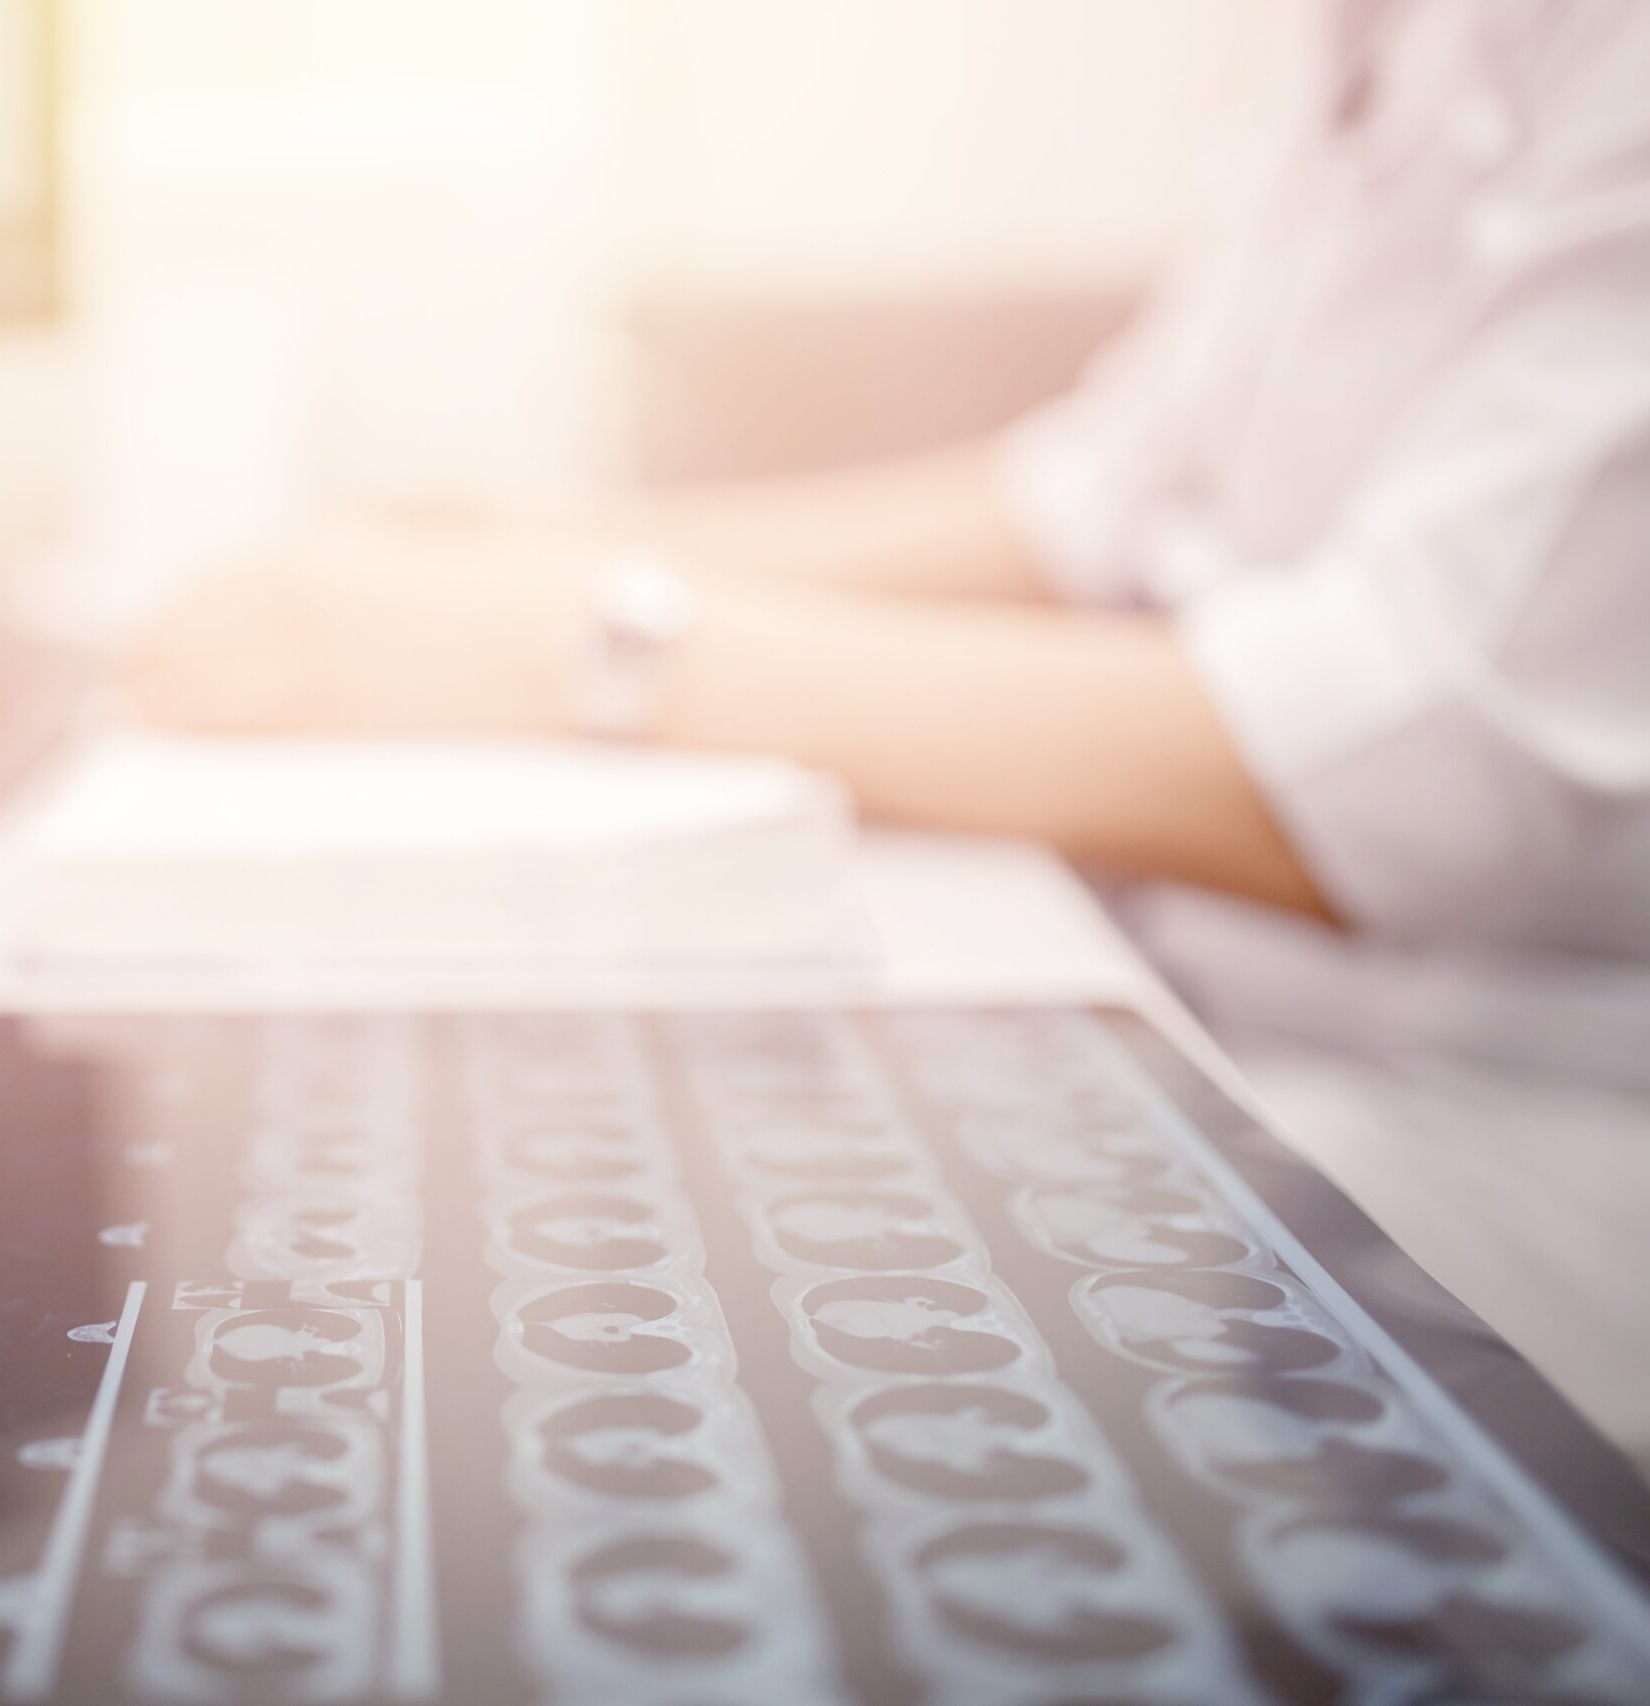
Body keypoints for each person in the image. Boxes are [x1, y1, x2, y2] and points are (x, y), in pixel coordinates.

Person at [125, 3, 1650, 1446]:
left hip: (1510, 1138)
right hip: (1232, 1026)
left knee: (591, 1329)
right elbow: (1093, 500)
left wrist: (569, 645)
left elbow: (1418, 753)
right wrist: (538, 553)